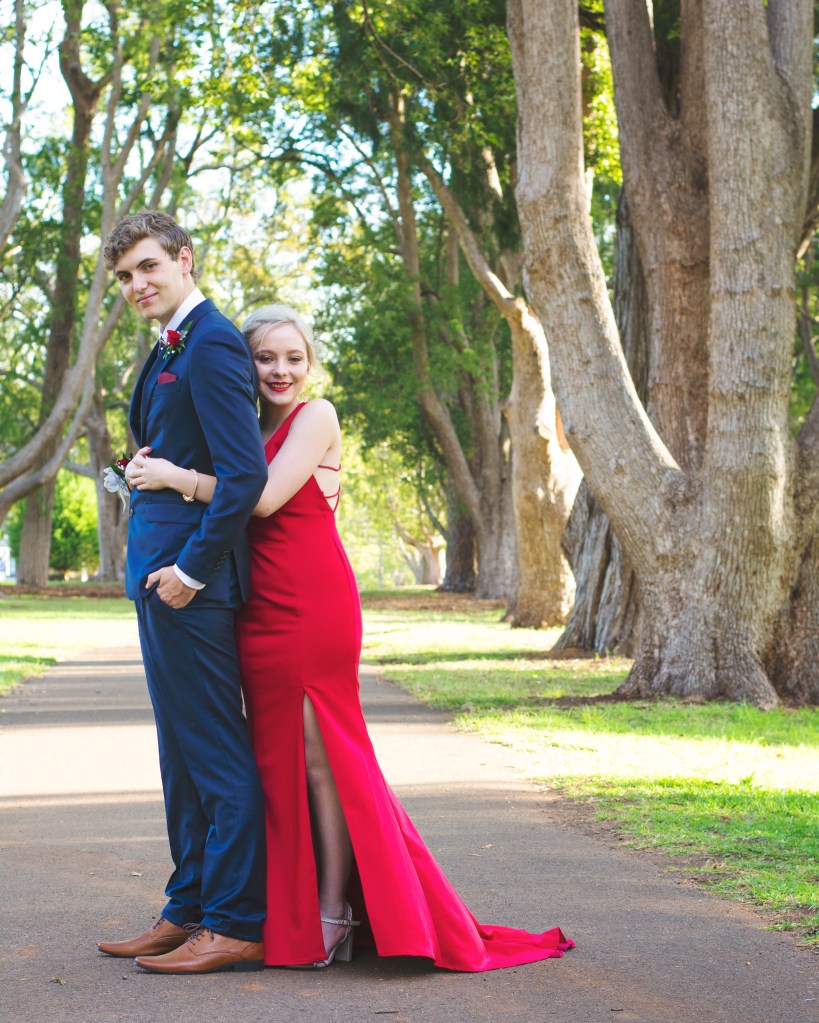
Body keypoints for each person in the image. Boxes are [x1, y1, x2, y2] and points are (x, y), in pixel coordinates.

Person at [127, 304, 574, 972]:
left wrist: (173, 477)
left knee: (320, 759)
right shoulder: (245, 426)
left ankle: (334, 909)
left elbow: (262, 498)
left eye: (293, 358)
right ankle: (273, 907)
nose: (280, 371)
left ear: (310, 364)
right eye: (265, 358)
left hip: (310, 603)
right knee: (274, 759)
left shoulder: (317, 417)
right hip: (255, 605)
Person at [96, 210, 269, 976]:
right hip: (156, 577)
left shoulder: (213, 343)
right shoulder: (172, 344)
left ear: (184, 259)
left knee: (215, 754)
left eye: (147, 267)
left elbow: (245, 476)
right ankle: (188, 905)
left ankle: (236, 921)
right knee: (180, 755)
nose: (137, 284)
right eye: (125, 275)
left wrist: (191, 571)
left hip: (188, 586)